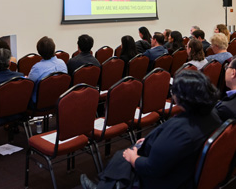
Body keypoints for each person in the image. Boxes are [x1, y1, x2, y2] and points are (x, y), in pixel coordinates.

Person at [80, 70, 222, 189]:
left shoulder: (182, 130)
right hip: (185, 166)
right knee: (125, 155)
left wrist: (134, 158)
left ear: (182, 98)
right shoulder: (212, 115)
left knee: (123, 157)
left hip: (166, 179)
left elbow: (152, 168)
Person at [28, 36, 67, 105]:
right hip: (59, 101)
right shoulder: (62, 63)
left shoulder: (37, 67)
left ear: (39, 51)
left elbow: (28, 85)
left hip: (40, 104)